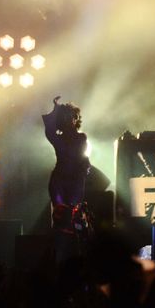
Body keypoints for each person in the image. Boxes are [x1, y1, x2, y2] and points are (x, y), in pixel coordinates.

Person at [42, 96, 91, 263]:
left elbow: (83, 159)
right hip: (59, 183)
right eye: (66, 116)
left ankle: (73, 259)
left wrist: (86, 169)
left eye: (72, 116)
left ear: (75, 118)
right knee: (60, 220)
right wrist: (55, 110)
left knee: (73, 219)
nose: (69, 119)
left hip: (75, 182)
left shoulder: (81, 138)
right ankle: (57, 260)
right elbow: (49, 130)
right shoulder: (59, 138)